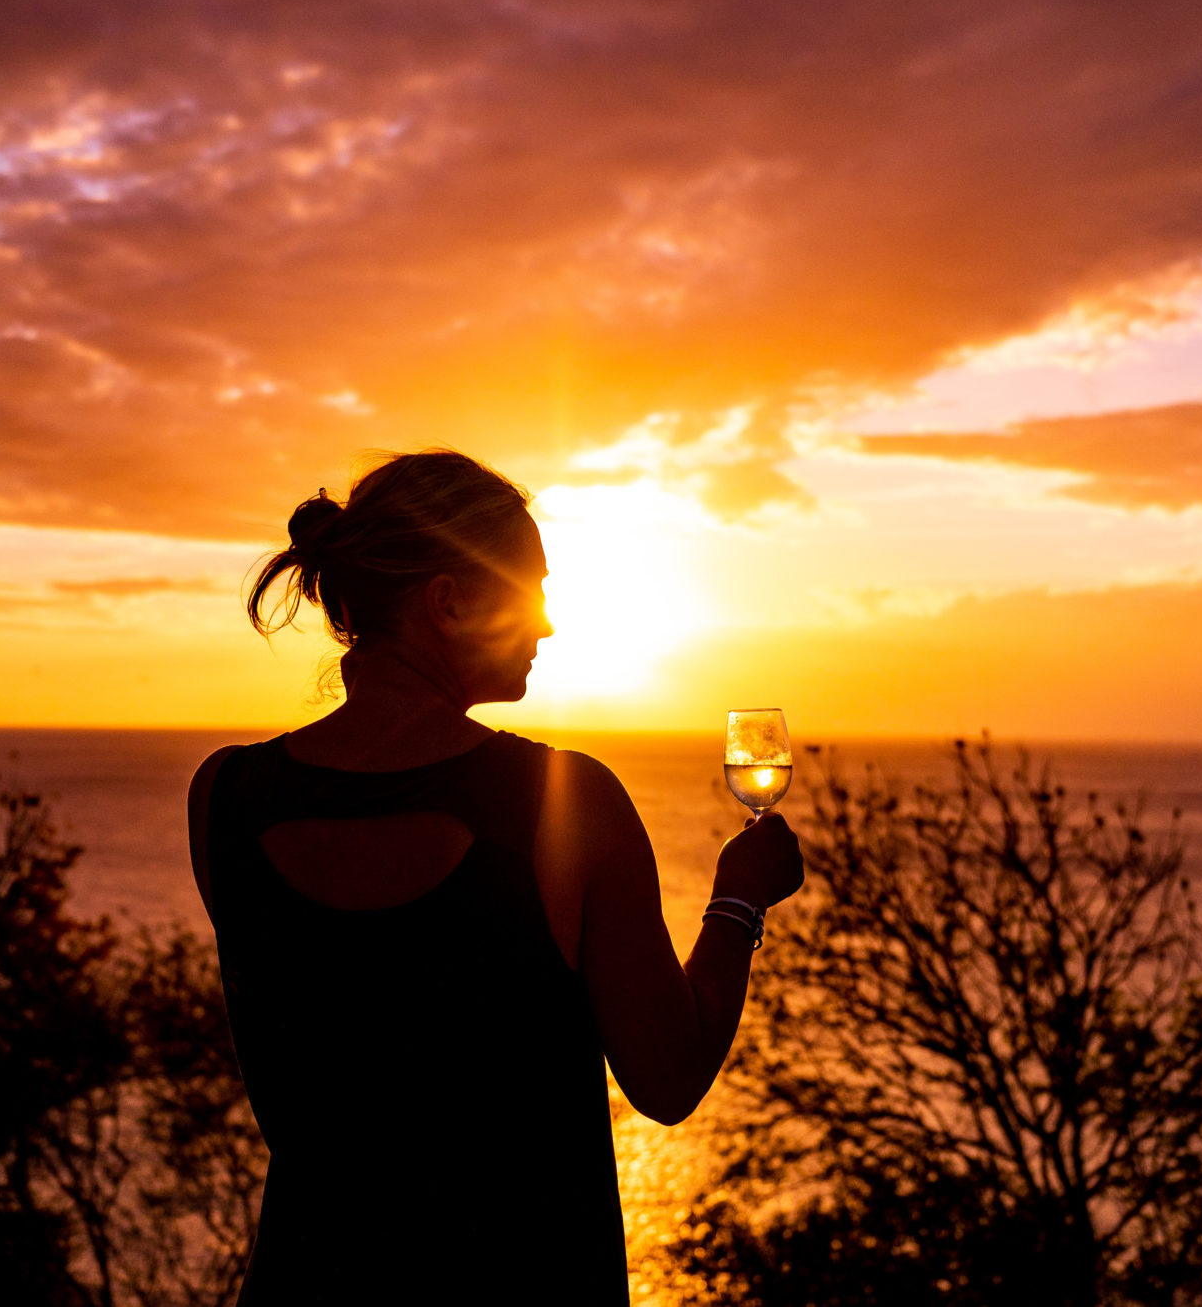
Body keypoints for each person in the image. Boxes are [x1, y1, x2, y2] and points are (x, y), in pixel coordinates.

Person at [188, 449, 805, 1304]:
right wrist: (738, 898)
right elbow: (668, 1078)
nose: (548, 624)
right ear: (449, 600)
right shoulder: (565, 803)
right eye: (532, 588)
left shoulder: (225, 797)